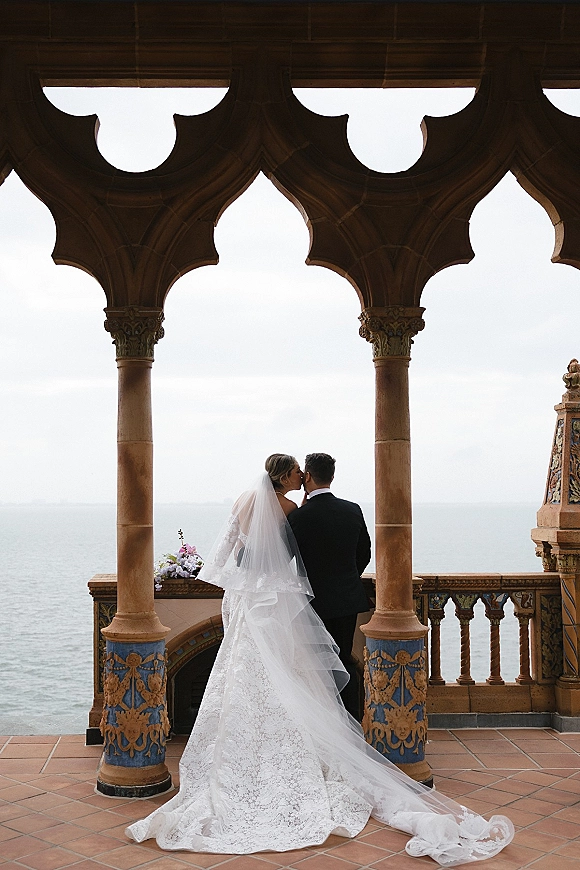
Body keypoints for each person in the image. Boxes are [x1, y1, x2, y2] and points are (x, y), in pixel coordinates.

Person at [126, 456, 514, 865]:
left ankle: (243, 757)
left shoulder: (249, 501)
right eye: (293, 472)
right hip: (297, 603)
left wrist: (246, 584)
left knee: (244, 675)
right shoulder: (305, 509)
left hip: (246, 603)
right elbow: (324, 557)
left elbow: (232, 558)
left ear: (306, 475)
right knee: (308, 676)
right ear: (291, 475)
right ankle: (318, 743)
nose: (299, 477)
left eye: (302, 471)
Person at [288, 453, 371, 717]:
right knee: (344, 660)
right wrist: (347, 576)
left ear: (308, 476)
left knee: (315, 664)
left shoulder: (299, 516)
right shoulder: (352, 509)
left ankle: (322, 720)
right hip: (348, 600)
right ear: (332, 477)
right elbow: (364, 552)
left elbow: (283, 557)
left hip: (312, 602)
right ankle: (350, 721)